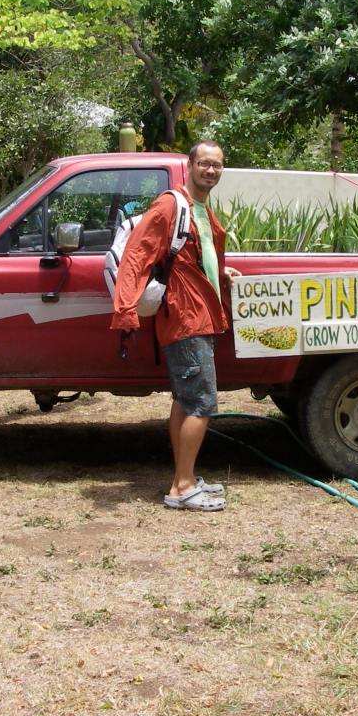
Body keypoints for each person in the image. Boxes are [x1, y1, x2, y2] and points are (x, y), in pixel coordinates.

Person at [111, 140, 241, 511]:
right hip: (186, 318)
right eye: (204, 164)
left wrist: (221, 273)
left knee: (186, 401)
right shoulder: (171, 204)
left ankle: (182, 477)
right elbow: (137, 254)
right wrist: (125, 309)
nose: (211, 170)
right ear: (189, 165)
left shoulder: (199, 208)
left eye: (217, 165)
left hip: (199, 314)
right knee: (202, 402)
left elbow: (195, 257)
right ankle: (182, 488)